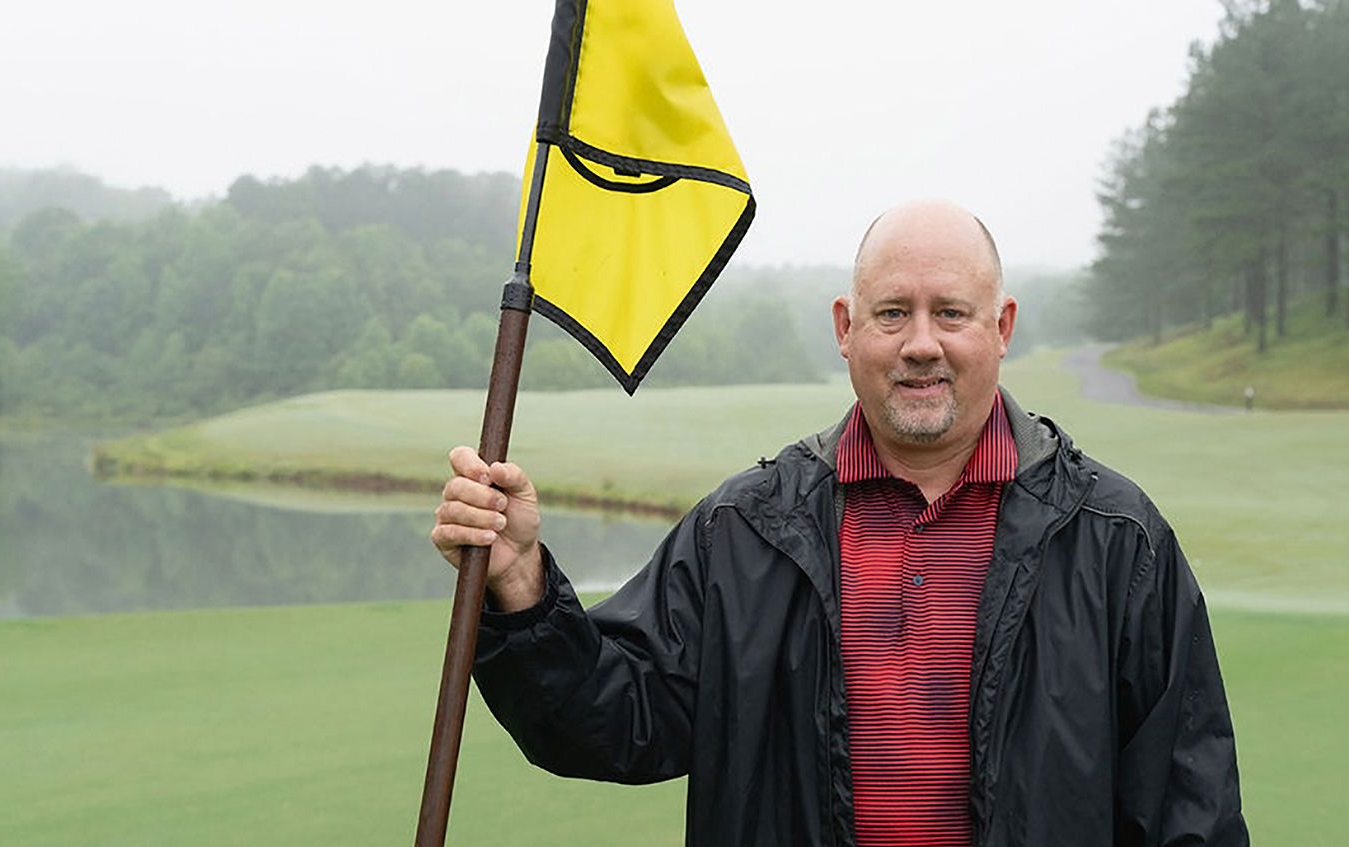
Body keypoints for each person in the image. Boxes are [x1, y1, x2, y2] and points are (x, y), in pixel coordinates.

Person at [431, 201, 1248, 846]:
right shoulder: (743, 532)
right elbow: (612, 724)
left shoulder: (1115, 540)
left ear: (1001, 328)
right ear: (844, 328)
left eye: (951, 313)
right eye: (892, 312)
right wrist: (520, 584)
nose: (921, 343)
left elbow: (1190, 815)